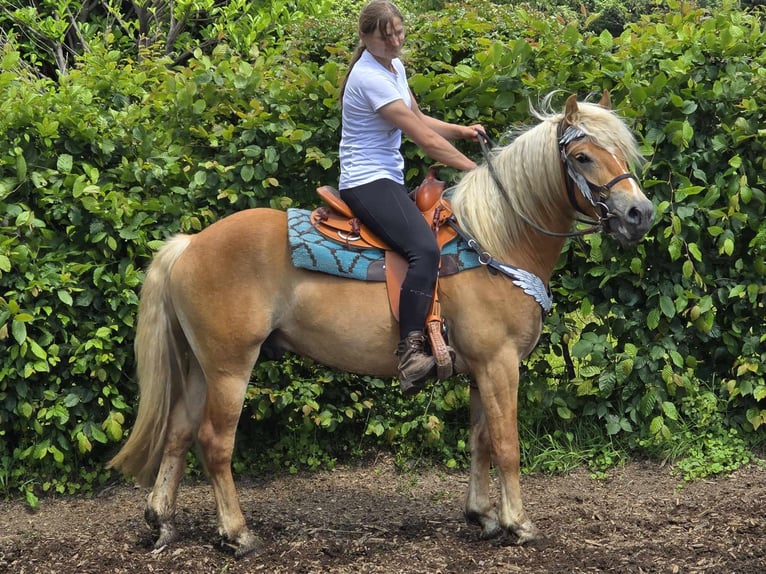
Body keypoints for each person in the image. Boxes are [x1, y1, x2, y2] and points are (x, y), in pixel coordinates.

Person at [338, 0, 484, 395]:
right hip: (366, 180)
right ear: (365, 37)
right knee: (424, 250)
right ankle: (410, 353)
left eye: (399, 34)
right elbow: (422, 138)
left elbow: (419, 119)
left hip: (387, 176)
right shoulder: (368, 77)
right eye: (386, 38)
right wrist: (477, 171)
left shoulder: (394, 68)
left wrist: (462, 130)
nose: (395, 43)